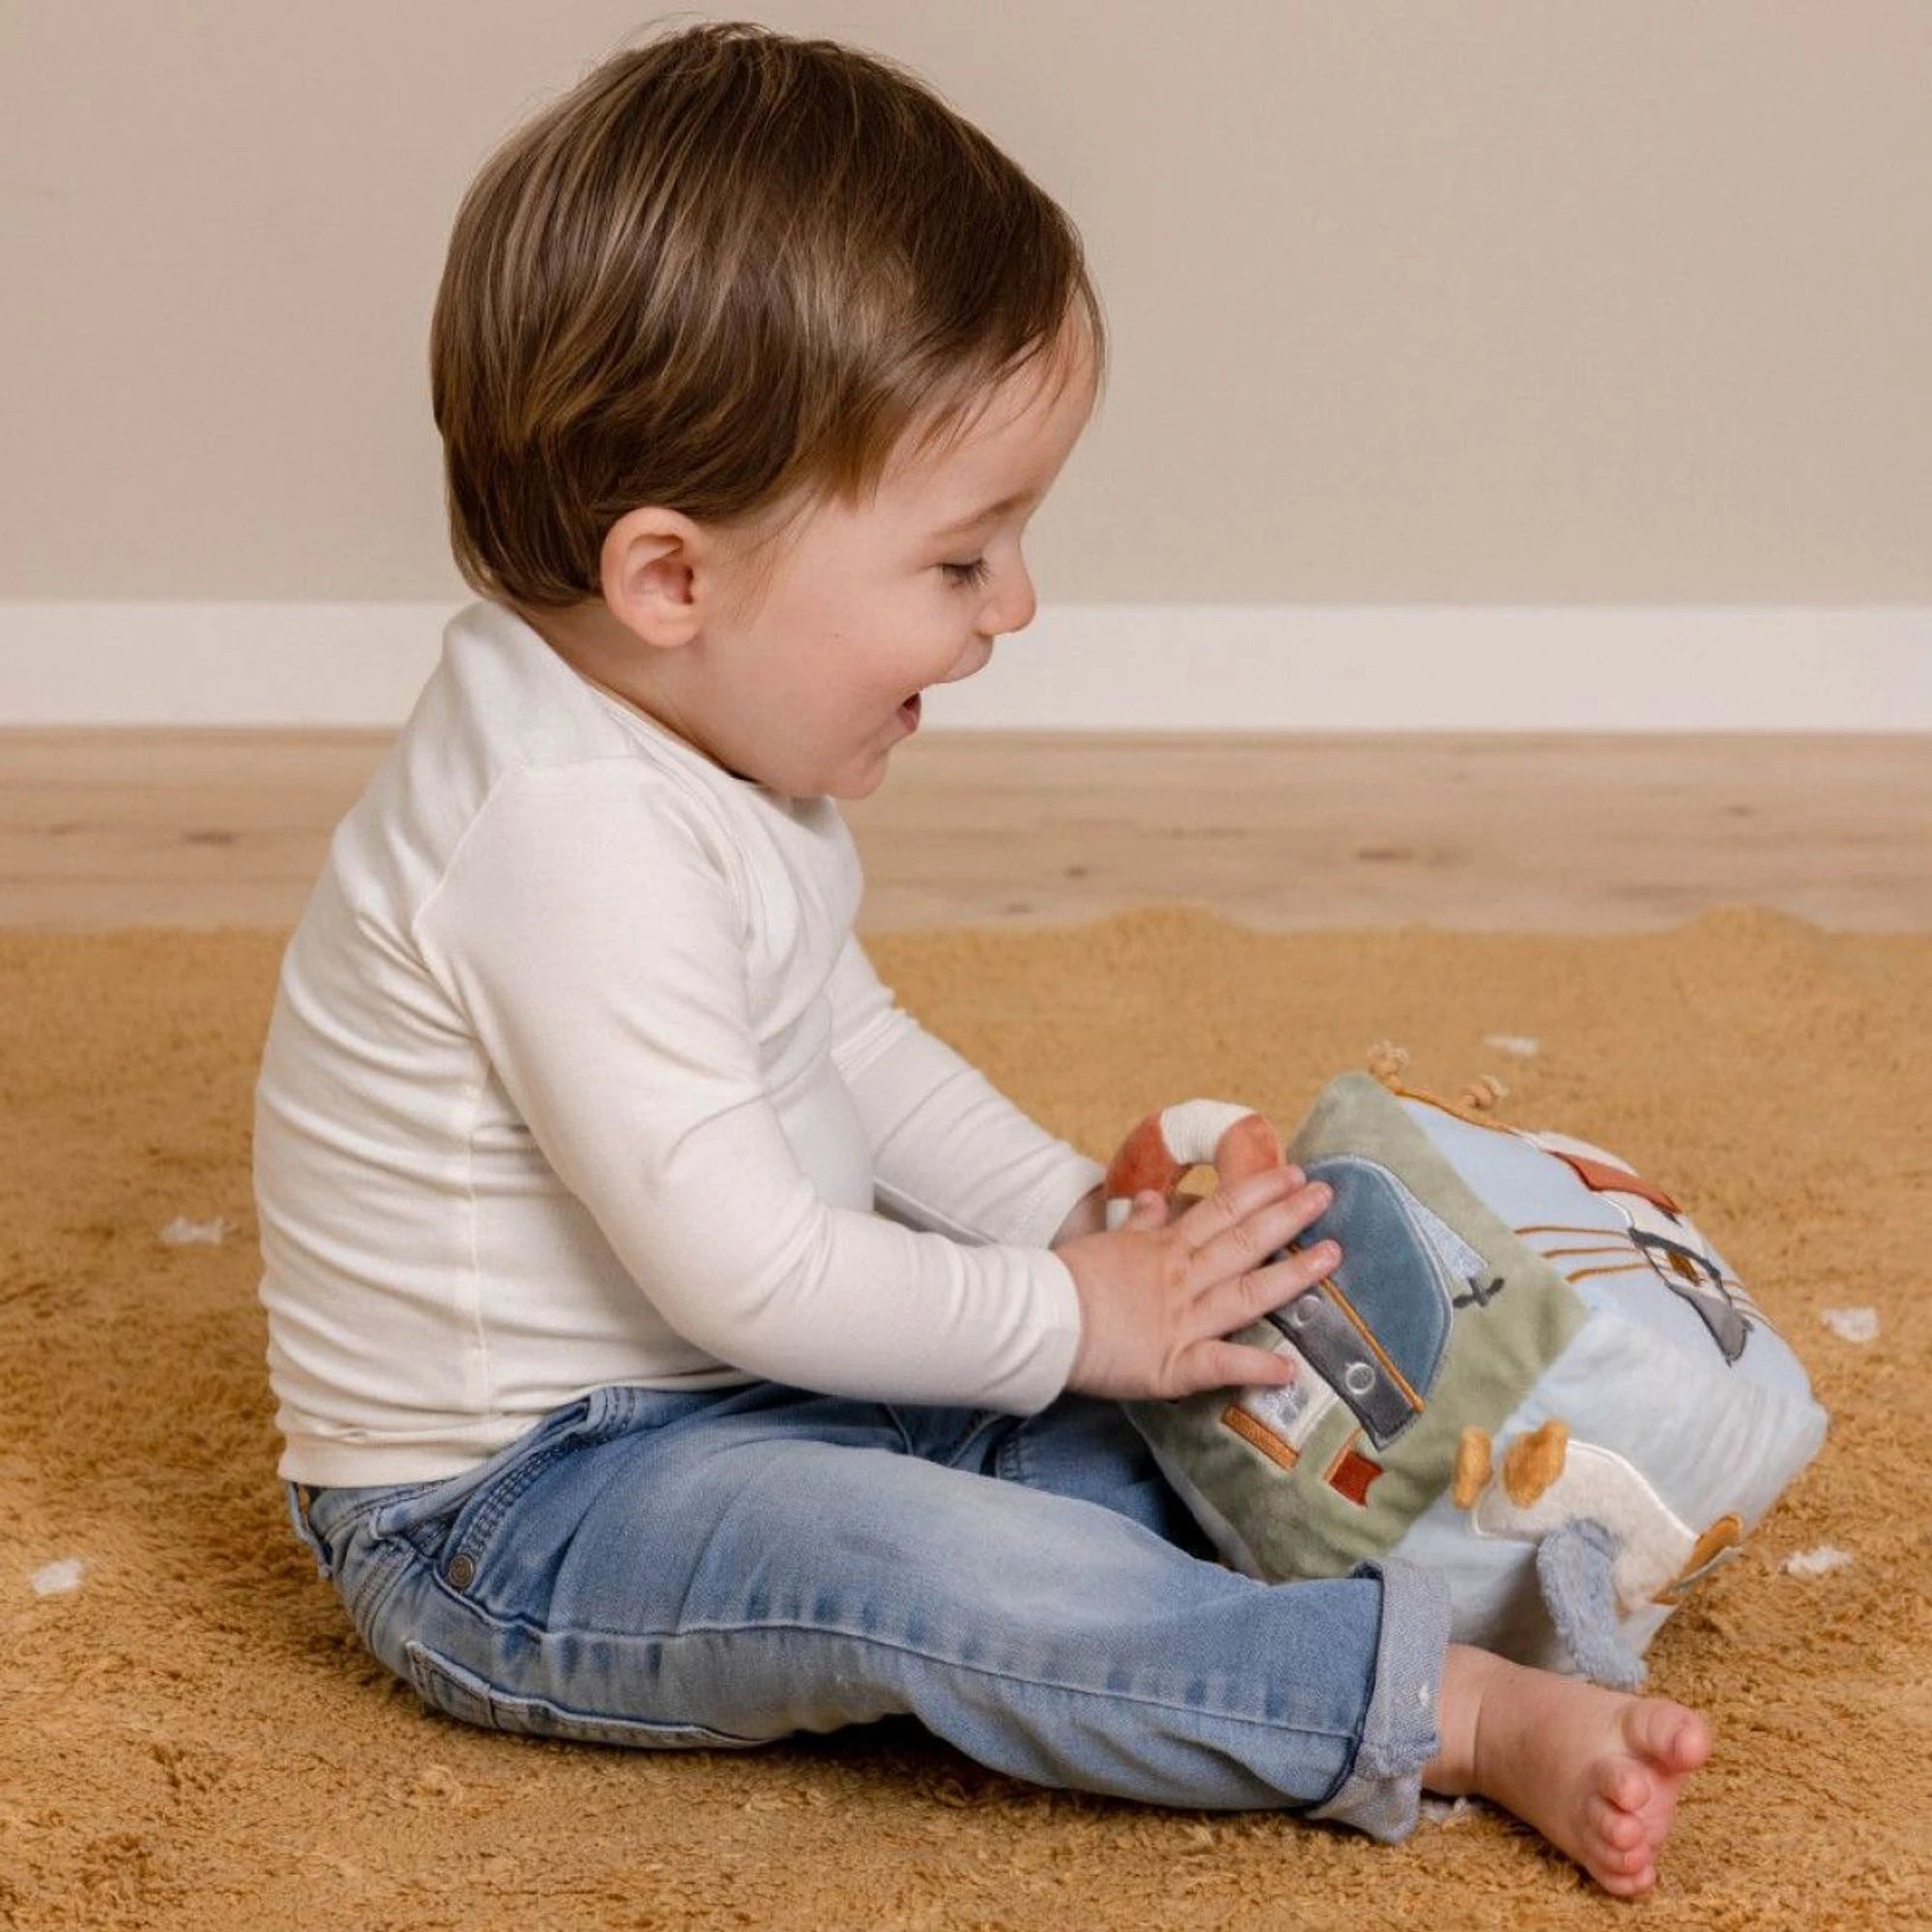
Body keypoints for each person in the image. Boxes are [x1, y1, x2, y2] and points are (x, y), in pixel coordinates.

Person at [254, 19, 1710, 1896]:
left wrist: (1081, 1236)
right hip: (518, 1507)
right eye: (960, 561)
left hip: (751, 1383)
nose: (1016, 603)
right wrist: (1071, 1313)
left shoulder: (703, 741)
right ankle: (1440, 1708)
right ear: (672, 580)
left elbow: (846, 1051)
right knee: (937, 1573)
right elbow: (749, 1269)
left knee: (1146, 1412)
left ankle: (1463, 1547)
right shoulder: (564, 834)